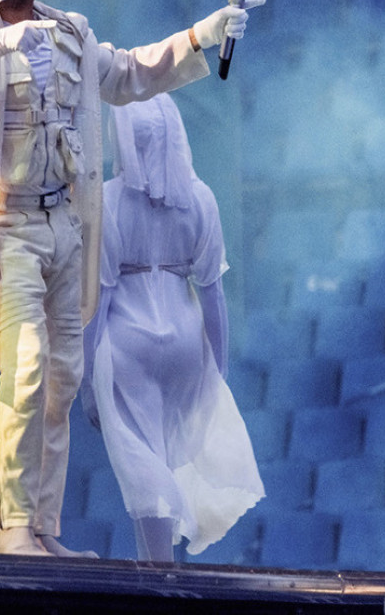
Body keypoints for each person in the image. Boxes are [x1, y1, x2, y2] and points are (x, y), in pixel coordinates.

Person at [0, 0, 263, 557]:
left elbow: (130, 74)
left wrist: (203, 34)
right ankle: (9, 524)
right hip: (5, 228)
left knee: (62, 377)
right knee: (27, 367)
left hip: (63, 226)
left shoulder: (72, 34)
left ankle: (41, 527)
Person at [83, 94, 263, 562]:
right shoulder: (201, 198)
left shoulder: (108, 200)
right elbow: (213, 293)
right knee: (159, 456)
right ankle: (157, 565)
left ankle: (160, 566)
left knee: (142, 459)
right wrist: (217, 368)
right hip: (186, 341)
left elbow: (98, 298)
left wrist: (86, 377)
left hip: (127, 342)